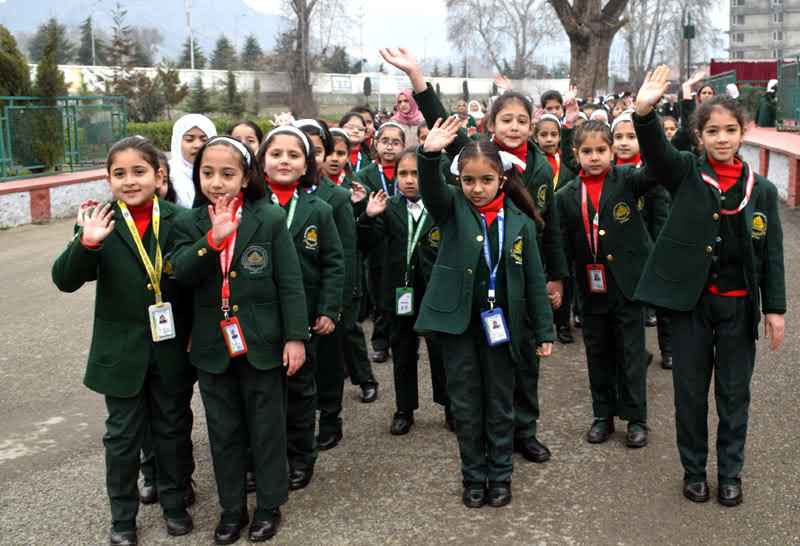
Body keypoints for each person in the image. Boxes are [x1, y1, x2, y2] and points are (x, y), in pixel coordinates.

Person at [378, 47, 568, 466]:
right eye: (506, 120)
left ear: (533, 124)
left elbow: (548, 225)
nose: (515, 127)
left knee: (524, 364)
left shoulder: (541, 166)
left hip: (520, 273)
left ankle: (524, 431)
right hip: (478, 282)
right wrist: (417, 77)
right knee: (489, 373)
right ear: (491, 124)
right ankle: (490, 441)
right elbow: (438, 123)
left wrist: (556, 277)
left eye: (522, 120)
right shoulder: (476, 156)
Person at [632, 66, 786, 507]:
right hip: (691, 308)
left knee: (734, 395)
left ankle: (731, 473)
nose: (722, 138)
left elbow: (771, 254)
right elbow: (658, 156)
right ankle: (694, 470)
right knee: (690, 394)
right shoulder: (684, 173)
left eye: (730, 130)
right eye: (712, 131)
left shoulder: (762, 191)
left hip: (738, 310)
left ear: (744, 133)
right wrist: (644, 113)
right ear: (698, 136)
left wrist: (774, 309)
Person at [53, 136, 196, 546]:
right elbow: (64, 279)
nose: (130, 181)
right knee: (121, 438)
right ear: (108, 179)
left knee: (171, 428)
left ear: (158, 175)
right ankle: (122, 518)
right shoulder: (101, 221)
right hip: (121, 353)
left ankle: (173, 503)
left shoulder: (178, 220)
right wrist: (87, 242)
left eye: (139, 171)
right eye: (119, 174)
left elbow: (192, 285)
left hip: (170, 348)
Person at [170, 136, 308, 544]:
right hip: (212, 348)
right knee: (224, 431)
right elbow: (179, 272)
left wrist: (295, 337)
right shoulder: (188, 222)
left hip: (263, 344)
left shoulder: (268, 218)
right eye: (207, 173)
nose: (216, 182)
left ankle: (268, 507)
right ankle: (232, 509)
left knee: (267, 427)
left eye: (227, 174)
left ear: (247, 177)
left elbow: (290, 283)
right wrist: (211, 241)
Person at [414, 116, 553, 508]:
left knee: (500, 403)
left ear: (502, 180)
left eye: (486, 180)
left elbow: (533, 281)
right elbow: (431, 190)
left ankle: (500, 475)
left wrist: (543, 332)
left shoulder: (520, 223)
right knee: (465, 404)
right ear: (459, 181)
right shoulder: (452, 209)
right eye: (469, 180)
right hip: (459, 330)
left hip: (504, 330)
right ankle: (473, 476)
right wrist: (429, 154)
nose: (477, 188)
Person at [555, 118, 656, 449]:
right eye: (587, 151)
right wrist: (556, 281)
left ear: (612, 151)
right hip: (591, 289)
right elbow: (560, 244)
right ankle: (603, 415)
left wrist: (646, 118)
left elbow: (656, 168)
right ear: (575, 154)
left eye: (601, 150)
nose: (595, 157)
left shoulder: (628, 179)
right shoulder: (566, 195)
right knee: (598, 353)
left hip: (627, 286)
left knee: (631, 353)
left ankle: (637, 418)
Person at [256, 125, 345, 492]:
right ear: (261, 160)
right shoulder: (250, 206)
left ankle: (300, 457)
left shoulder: (318, 209)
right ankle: (260, 459)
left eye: (294, 155)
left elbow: (334, 262)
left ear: (307, 163)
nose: (284, 161)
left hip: (303, 318)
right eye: (276, 154)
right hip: (258, 319)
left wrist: (329, 308)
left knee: (299, 392)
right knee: (261, 393)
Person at [357, 148, 453, 435]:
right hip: (400, 293)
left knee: (441, 352)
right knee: (403, 351)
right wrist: (367, 217)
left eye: (416, 173)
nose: (410, 180)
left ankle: (450, 406)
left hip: (436, 293)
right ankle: (404, 409)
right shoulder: (390, 207)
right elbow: (366, 244)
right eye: (403, 174)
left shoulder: (442, 207)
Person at [293, 119, 363, 449]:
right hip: (292, 295)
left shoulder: (334, 196)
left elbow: (345, 252)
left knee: (328, 361)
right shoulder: (272, 193)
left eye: (316, 151)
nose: (308, 158)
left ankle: (331, 416)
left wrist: (336, 303)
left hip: (325, 295)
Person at [610, 110, 672, 364]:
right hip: (619, 250)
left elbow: (660, 214)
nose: (624, 142)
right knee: (626, 306)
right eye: (618, 136)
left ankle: (668, 350)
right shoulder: (606, 170)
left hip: (649, 248)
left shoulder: (650, 173)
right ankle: (634, 351)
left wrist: (659, 247)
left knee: (661, 303)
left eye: (631, 136)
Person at [356, 121, 409, 365]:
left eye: (396, 142)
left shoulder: (408, 171)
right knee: (379, 295)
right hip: (377, 244)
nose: (389, 147)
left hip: (402, 240)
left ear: (404, 146)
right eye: (384, 141)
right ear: (375, 144)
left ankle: (401, 337)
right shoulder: (364, 175)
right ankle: (380, 342)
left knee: (402, 292)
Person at [534, 113, 577, 345]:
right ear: (535, 137)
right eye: (544, 134)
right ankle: (543, 320)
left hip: (564, 230)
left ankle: (563, 323)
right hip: (540, 228)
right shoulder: (534, 162)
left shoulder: (567, 162)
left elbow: (572, 152)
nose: (549, 139)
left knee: (562, 275)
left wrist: (568, 123)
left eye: (554, 134)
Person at [168, 113, 217, 208]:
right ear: (177, 142)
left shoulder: (223, 173)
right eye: (189, 139)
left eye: (204, 139)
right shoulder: (168, 175)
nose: (197, 145)